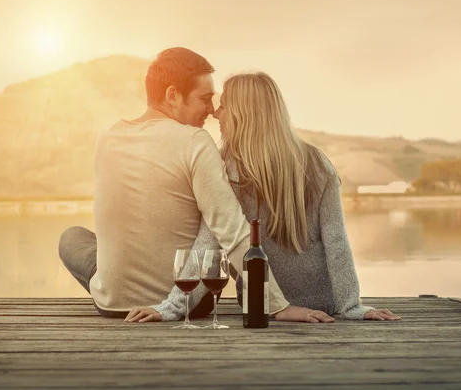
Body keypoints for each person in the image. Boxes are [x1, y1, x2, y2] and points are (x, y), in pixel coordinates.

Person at [58, 47, 334, 324]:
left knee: (71, 238)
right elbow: (231, 228)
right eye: (204, 99)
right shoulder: (195, 141)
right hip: (192, 301)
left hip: (113, 304)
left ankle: (115, 285)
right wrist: (276, 305)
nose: (212, 110)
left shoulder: (107, 137)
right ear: (172, 95)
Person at [135, 72, 400, 322]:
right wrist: (350, 306)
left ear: (244, 115)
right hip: (324, 304)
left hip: (260, 304)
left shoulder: (229, 170)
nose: (216, 113)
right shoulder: (318, 163)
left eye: (224, 106)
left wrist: (172, 307)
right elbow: (337, 243)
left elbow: (208, 244)